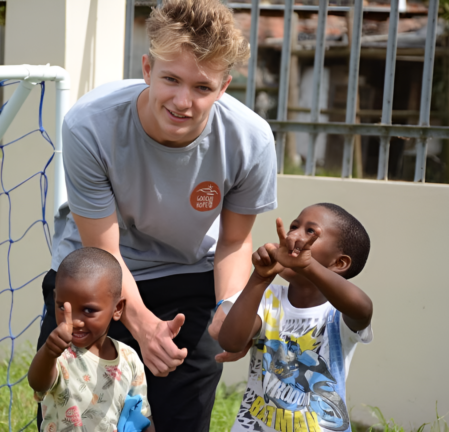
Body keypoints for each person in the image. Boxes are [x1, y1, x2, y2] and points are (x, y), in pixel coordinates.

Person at [38, 0, 278, 429]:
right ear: (147, 69)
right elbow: (104, 250)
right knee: (76, 417)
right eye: (171, 79)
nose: (183, 101)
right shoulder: (88, 125)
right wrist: (144, 324)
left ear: (224, 88)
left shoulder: (250, 140)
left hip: (188, 274)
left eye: (202, 88)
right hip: (95, 274)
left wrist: (227, 307)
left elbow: (235, 241)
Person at [218, 203, 373, 432]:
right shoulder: (267, 298)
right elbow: (230, 341)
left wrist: (308, 265)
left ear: (339, 263)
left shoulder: (338, 314)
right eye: (294, 226)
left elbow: (363, 309)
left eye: (310, 231)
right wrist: (259, 278)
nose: (293, 235)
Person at [29, 247, 154, 432]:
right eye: (63, 307)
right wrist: (48, 351)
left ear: (117, 308)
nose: (76, 321)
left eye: (88, 310)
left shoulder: (129, 359)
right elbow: (37, 382)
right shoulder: (59, 355)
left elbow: (141, 415)